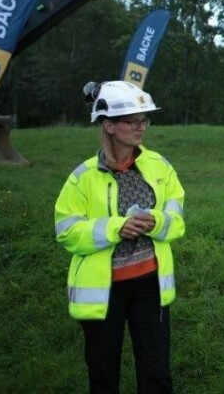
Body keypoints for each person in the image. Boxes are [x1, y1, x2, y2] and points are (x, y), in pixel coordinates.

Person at [54, 81, 185, 392]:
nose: (140, 127)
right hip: (103, 290)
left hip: (150, 287)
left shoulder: (160, 167)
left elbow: (177, 222)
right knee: (103, 376)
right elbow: (67, 233)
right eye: (132, 121)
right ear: (109, 125)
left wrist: (154, 221)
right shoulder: (82, 177)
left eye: (144, 120)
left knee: (156, 374)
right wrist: (116, 228)